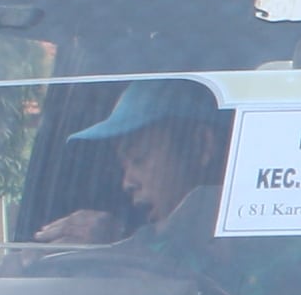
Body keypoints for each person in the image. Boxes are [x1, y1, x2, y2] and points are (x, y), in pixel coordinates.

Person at [35, 77, 232, 251]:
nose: (127, 183)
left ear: (201, 145)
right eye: (123, 165)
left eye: (138, 158)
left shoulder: (253, 250)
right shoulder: (160, 243)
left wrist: (118, 252)